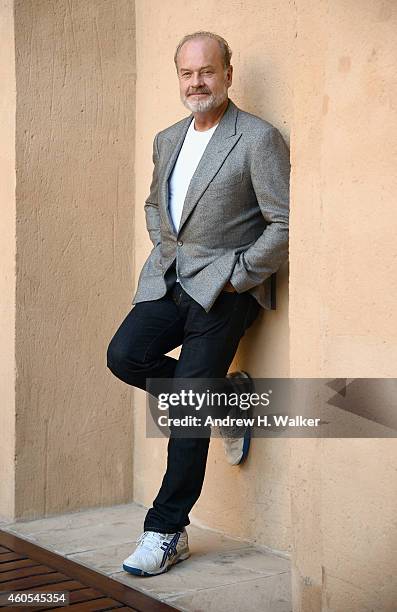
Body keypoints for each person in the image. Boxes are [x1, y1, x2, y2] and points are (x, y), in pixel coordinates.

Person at [106, 31, 290, 576]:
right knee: (124, 357)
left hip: (227, 291)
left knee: (187, 400)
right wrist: (165, 247)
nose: (197, 82)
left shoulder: (257, 138)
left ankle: (166, 531)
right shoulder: (167, 138)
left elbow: (284, 221)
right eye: (188, 74)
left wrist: (239, 276)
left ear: (228, 74)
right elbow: (153, 202)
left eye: (207, 71)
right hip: (169, 279)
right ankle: (229, 402)